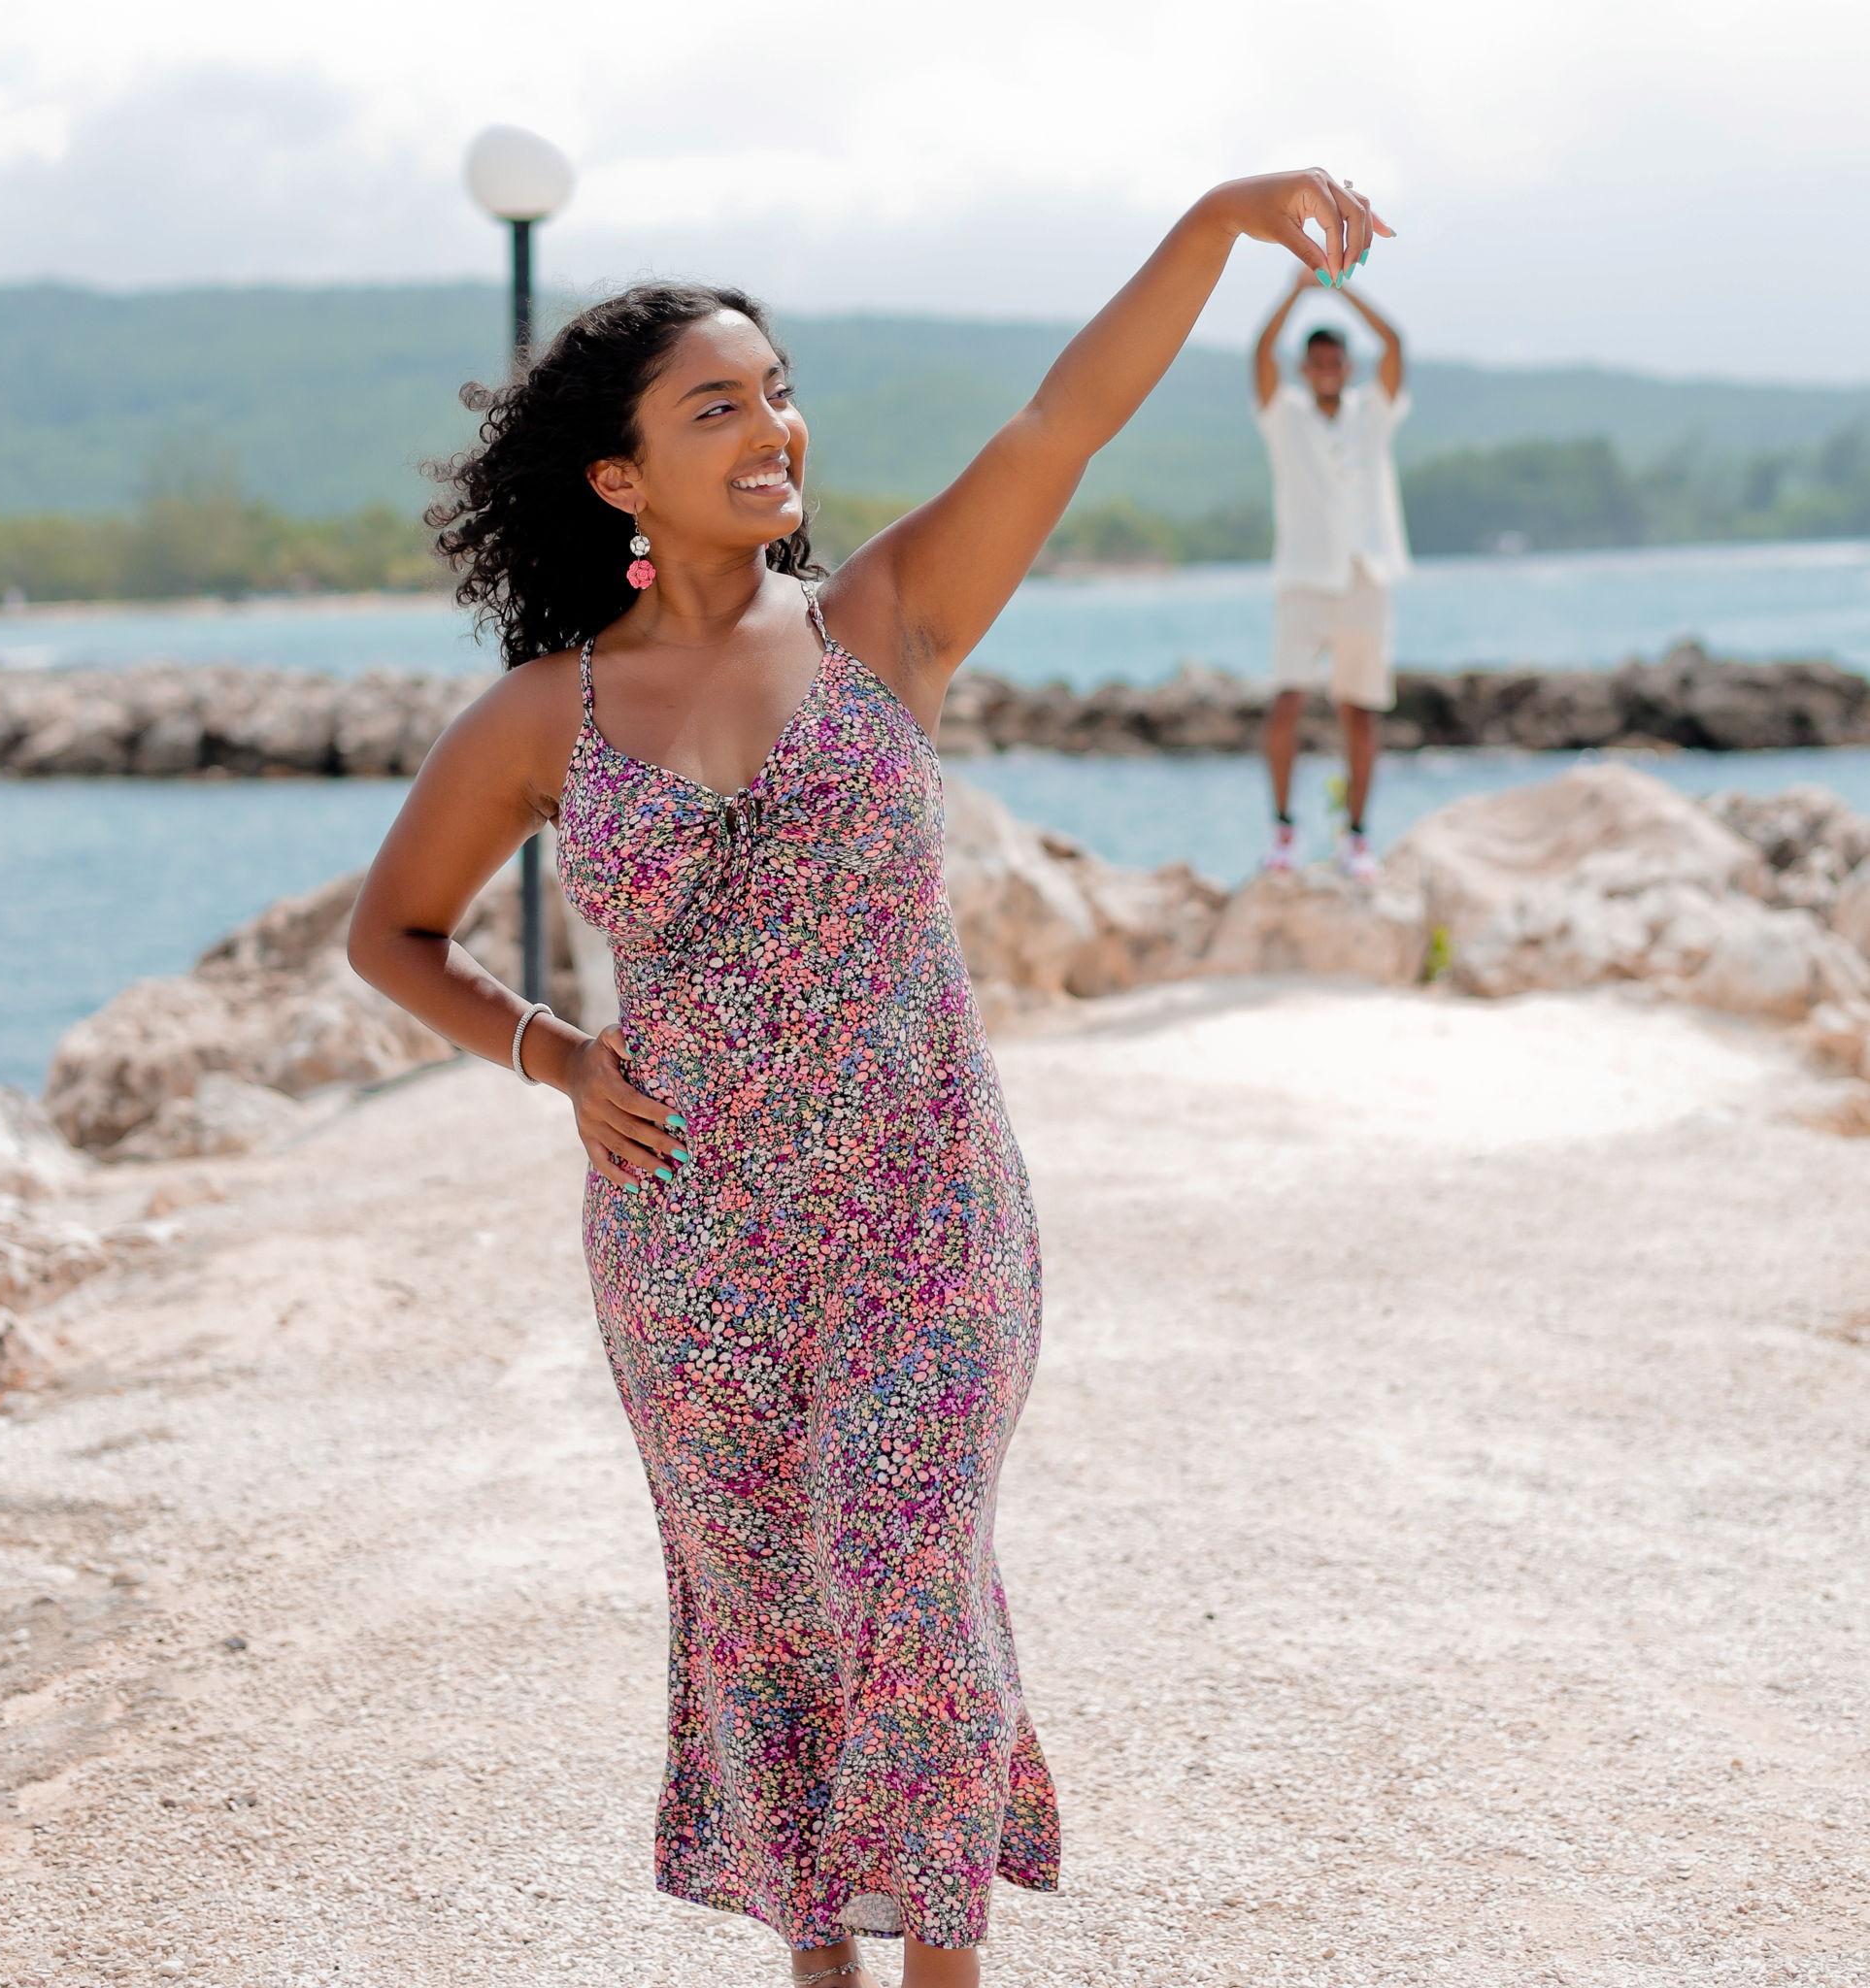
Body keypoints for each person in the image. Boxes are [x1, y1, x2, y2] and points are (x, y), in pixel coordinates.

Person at [345, 166, 1391, 1988]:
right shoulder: (541, 716)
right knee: (765, 1617)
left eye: (779, 392)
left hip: (924, 1210)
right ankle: (816, 1958)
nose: (773, 429)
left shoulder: (885, 619)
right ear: (618, 479)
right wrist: (559, 1056)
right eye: (716, 408)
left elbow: (1059, 421)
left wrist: (1216, 228)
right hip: (688, 1243)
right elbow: (394, 933)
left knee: (908, 1579)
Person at [1251, 261, 1411, 881]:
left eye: (1334, 361)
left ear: (1347, 366)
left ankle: (1357, 837)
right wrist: (1294, 293)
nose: (1325, 370)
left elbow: (1393, 343)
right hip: (1302, 577)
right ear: (1304, 368)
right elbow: (1261, 354)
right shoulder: (1284, 416)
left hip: (1365, 574)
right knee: (1286, 704)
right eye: (1315, 362)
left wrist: (1341, 287)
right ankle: (1283, 832)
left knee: (1360, 711)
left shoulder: (1373, 410)